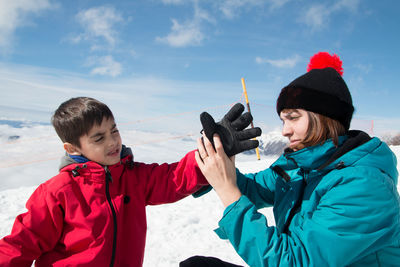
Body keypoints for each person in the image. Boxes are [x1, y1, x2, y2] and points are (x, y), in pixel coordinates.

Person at [183, 52, 400, 266]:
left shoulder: (364, 186)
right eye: (283, 120)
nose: (285, 130)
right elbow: (254, 187)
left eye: (293, 118)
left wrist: (228, 192)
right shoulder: (299, 165)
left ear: (324, 118)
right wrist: (217, 156)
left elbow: (297, 261)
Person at [0, 97, 260, 266]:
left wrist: (213, 149)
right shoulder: (57, 193)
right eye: (99, 138)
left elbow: (173, 177)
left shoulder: (132, 177)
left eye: (114, 130)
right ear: (72, 148)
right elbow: (20, 245)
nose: (113, 142)